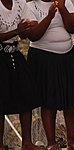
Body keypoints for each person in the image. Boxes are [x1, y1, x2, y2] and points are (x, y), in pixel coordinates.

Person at [27, 0, 74, 149]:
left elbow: (73, 28)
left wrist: (63, 7)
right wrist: (49, 16)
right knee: (48, 99)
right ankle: (51, 142)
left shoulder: (65, 3)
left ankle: (72, 140)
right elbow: (33, 35)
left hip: (67, 54)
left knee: (72, 99)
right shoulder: (30, 6)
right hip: (43, 56)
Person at [0, 0, 43, 150]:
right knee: (1, 98)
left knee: (27, 94)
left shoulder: (20, 3)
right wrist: (17, 32)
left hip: (15, 52)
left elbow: (24, 35)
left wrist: (26, 30)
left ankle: (27, 143)